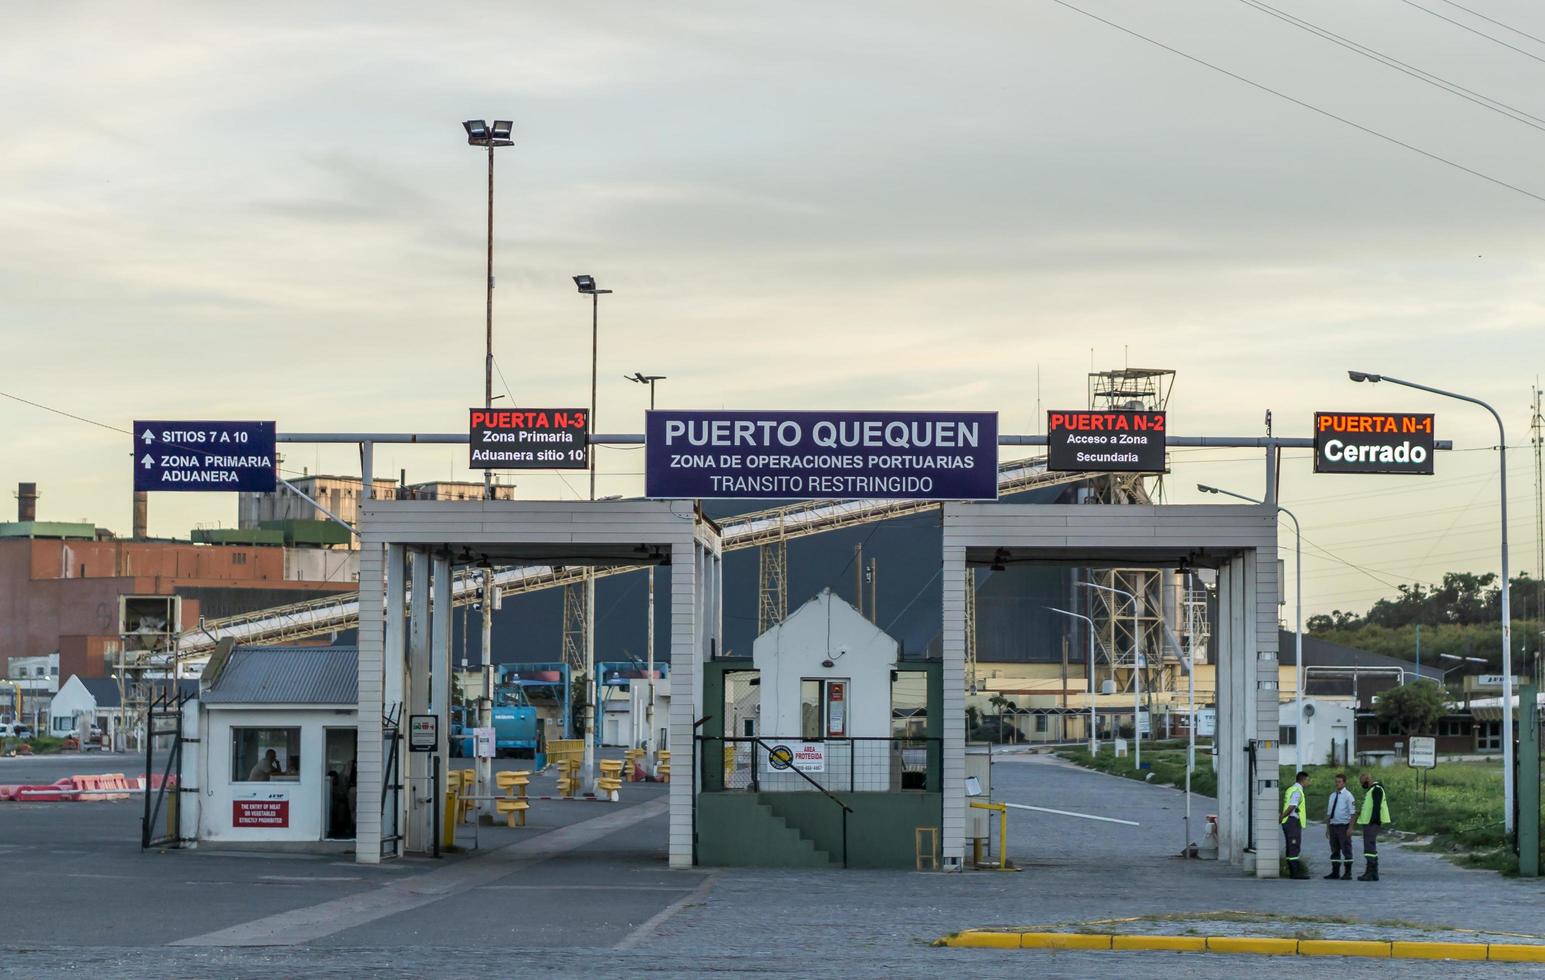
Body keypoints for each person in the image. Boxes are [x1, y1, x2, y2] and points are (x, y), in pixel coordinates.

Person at [1356, 771, 1391, 881]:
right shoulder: (1372, 790)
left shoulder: (1376, 789)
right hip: (1369, 822)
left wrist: (1374, 821)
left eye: (1363, 782)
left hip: (1372, 822)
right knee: (1369, 846)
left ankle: (1370, 872)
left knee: (1369, 846)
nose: (1363, 785)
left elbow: (1376, 806)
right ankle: (1373, 873)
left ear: (1368, 780)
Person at [1323, 772, 1356, 879]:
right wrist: (1327, 828)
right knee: (1334, 850)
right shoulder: (1332, 796)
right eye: (1336, 782)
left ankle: (1348, 873)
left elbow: (1353, 813)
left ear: (1344, 783)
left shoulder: (1348, 796)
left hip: (1343, 826)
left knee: (1346, 849)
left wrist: (1350, 827)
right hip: (1333, 826)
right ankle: (1335, 872)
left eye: (1339, 782)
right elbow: (1329, 814)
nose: (1337, 784)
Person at [1281, 770, 1310, 879]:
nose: (1308, 782)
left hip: (1288, 822)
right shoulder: (1297, 791)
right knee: (1294, 846)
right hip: (1292, 822)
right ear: (1303, 780)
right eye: (1308, 780)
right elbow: (1292, 806)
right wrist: (1282, 816)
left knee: (1290, 847)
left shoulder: (1291, 789)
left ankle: (1293, 872)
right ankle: (1295, 873)